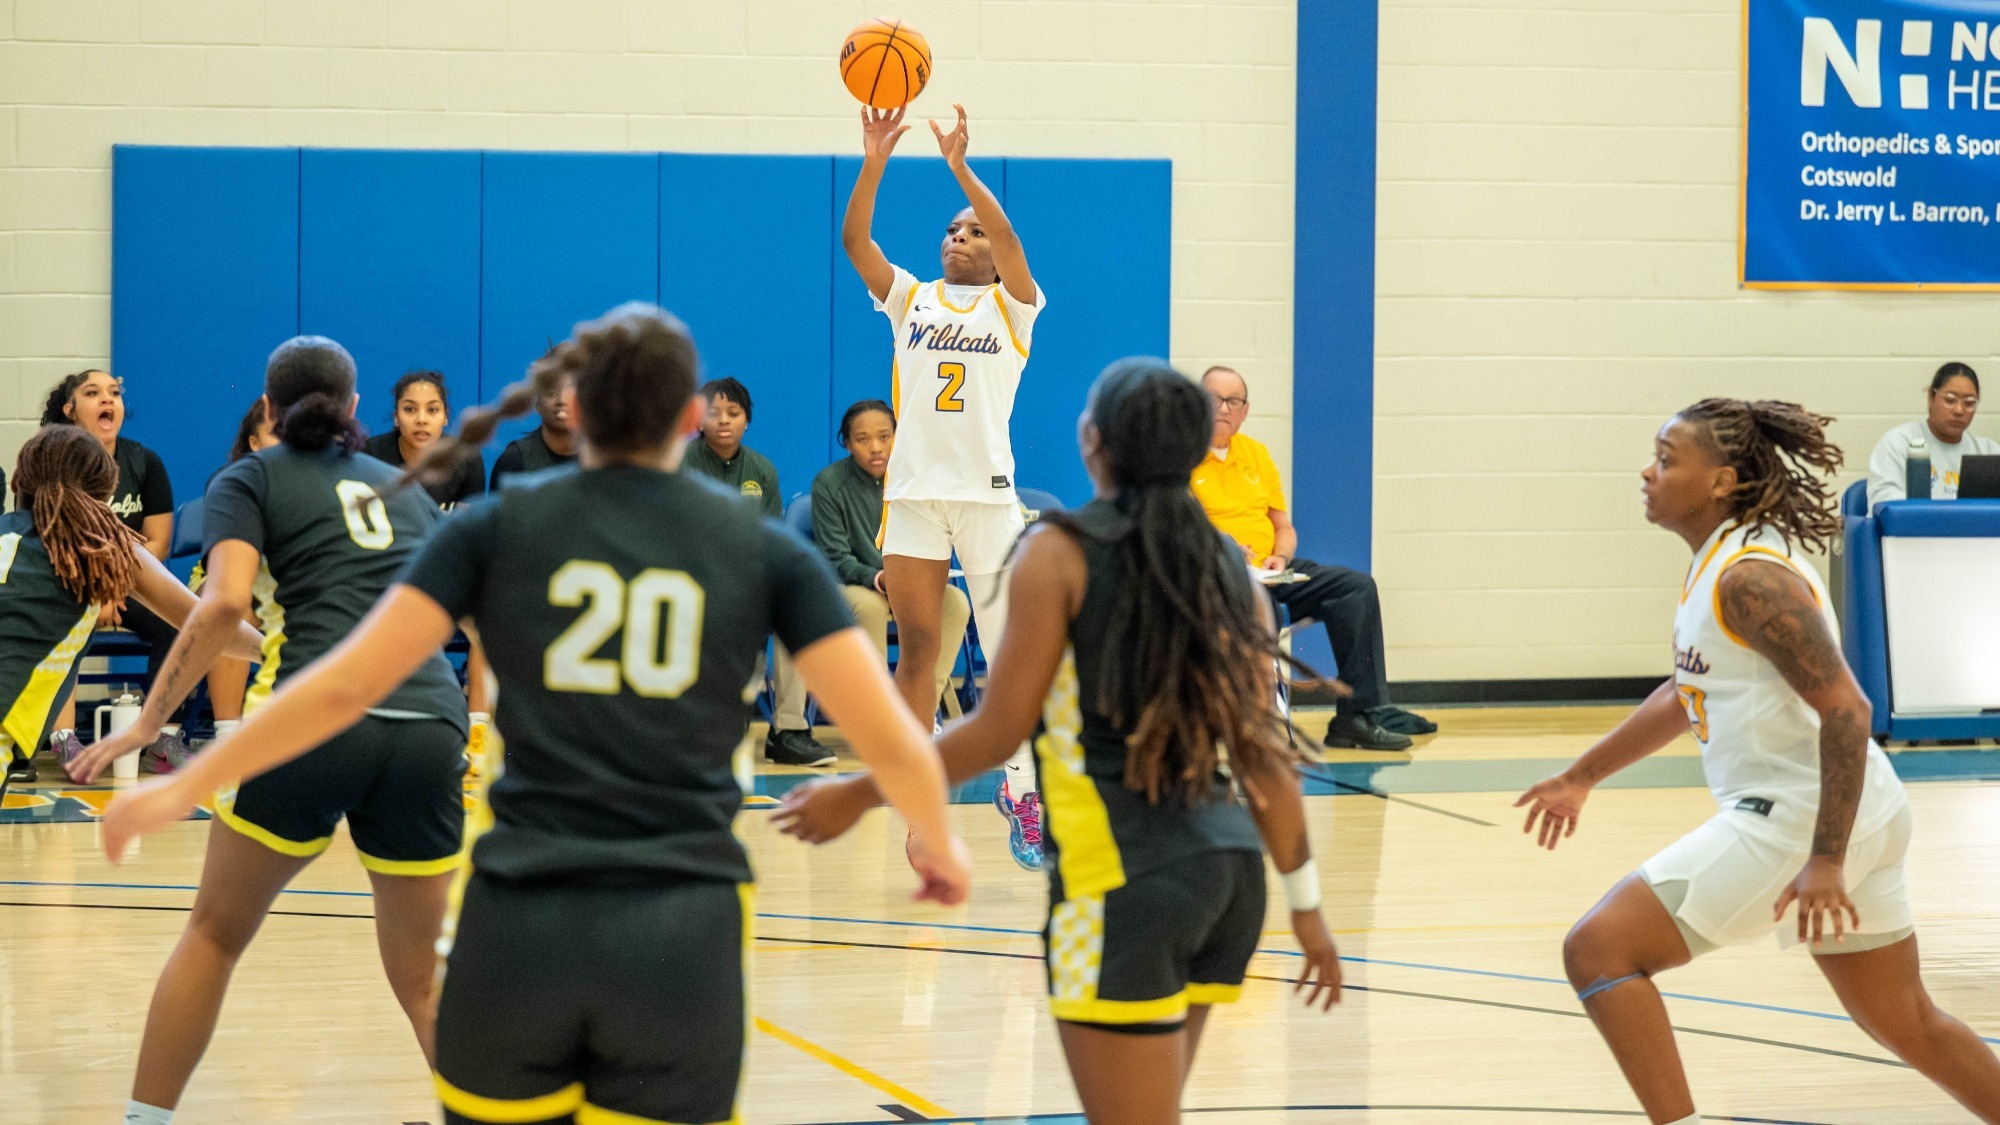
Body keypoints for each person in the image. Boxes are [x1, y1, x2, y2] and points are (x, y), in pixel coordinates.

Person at [100, 303, 972, 1125]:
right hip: (683, 923)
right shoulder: (763, 547)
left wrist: (183, 780)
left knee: (258, 949)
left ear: (578, 410)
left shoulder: (495, 529)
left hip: (522, 917)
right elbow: (892, 730)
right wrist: (932, 831)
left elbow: (336, 684)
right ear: (687, 423)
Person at [778, 359, 1342, 1125]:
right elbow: (1266, 758)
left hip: (1121, 880)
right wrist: (1306, 906)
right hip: (1231, 877)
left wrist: (860, 790)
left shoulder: (1060, 551)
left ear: (1093, 443)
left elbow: (995, 730)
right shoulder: (1230, 570)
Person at [1515, 398, 2000, 1125]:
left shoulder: (1749, 579)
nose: (1648, 471)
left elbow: (1849, 708)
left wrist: (1826, 860)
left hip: (1804, 815)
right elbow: (1688, 690)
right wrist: (1583, 774)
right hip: (1859, 808)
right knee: (1908, 1022)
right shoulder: (1722, 564)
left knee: (1599, 951)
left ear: (1720, 480)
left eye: (1667, 457)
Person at [76, 336, 473, 1125]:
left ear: (266, 408)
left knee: (215, 936)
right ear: (357, 411)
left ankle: (143, 1120)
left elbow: (222, 605)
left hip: (316, 718)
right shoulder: (410, 488)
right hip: (430, 723)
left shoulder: (248, 476)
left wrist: (146, 723)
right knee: (424, 975)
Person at [843, 102, 1049, 868]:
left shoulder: (1015, 305)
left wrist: (962, 167)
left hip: (989, 496)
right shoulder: (911, 298)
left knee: (1006, 652)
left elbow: (1014, 241)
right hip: (914, 496)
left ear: (995, 253)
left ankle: (1020, 789)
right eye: (951, 228)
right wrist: (873, 159)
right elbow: (856, 241)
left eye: (972, 231)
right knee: (919, 645)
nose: (957, 237)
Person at [0, 426, 262, 796]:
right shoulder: (107, 546)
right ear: (105, 491)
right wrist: (279, 652)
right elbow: (208, 624)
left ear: (18, 482)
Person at [1192, 365, 1431, 752]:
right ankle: (1261, 729)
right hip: (1217, 575)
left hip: (1269, 570)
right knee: (1261, 606)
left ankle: (1358, 716)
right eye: (1214, 399)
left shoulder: (1256, 455)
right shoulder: (1180, 457)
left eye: (1233, 401)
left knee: (1355, 589)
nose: (1223, 408)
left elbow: (1282, 525)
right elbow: (1174, 526)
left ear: (1245, 410)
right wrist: (1221, 546)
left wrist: (1282, 558)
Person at [37, 368, 186, 774]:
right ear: (70, 410)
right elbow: (51, 545)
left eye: (114, 393)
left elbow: (156, 542)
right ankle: (64, 739)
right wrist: (95, 595)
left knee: (180, 622)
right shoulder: (51, 464)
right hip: (67, 582)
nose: (108, 400)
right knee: (58, 619)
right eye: (93, 393)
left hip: (131, 583)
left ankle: (161, 736)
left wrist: (116, 588)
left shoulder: (144, 462)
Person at [786, 399, 971, 721]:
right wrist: (879, 578)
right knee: (869, 608)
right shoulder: (829, 484)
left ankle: (918, 708)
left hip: (906, 584)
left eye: (885, 437)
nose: (876, 447)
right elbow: (834, 557)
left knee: (955, 604)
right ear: (846, 442)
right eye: (862, 439)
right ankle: (876, 717)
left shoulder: (914, 480)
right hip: (853, 585)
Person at [679, 376, 827, 766]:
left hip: (748, 583)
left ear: (747, 419)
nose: (724, 420)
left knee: (795, 617)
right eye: (714, 412)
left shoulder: (761, 470)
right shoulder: (678, 464)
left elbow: (769, 540)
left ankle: (790, 731)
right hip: (694, 584)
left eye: (734, 412)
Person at [1867, 361, 1997, 512]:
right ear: (1931, 396)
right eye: (1950, 400)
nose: (1959, 410)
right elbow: (1882, 502)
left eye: (1969, 403)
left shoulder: (1989, 452)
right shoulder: (1898, 443)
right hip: (1913, 532)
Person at [363, 369, 487, 509]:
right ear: (396, 417)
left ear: (445, 417)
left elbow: (469, 527)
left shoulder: (467, 458)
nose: (421, 420)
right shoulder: (370, 454)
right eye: (410, 409)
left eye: (432, 410)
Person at [486, 372, 576, 489]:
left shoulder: (601, 458)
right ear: (538, 405)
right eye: (551, 393)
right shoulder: (514, 460)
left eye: (570, 392)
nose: (561, 401)